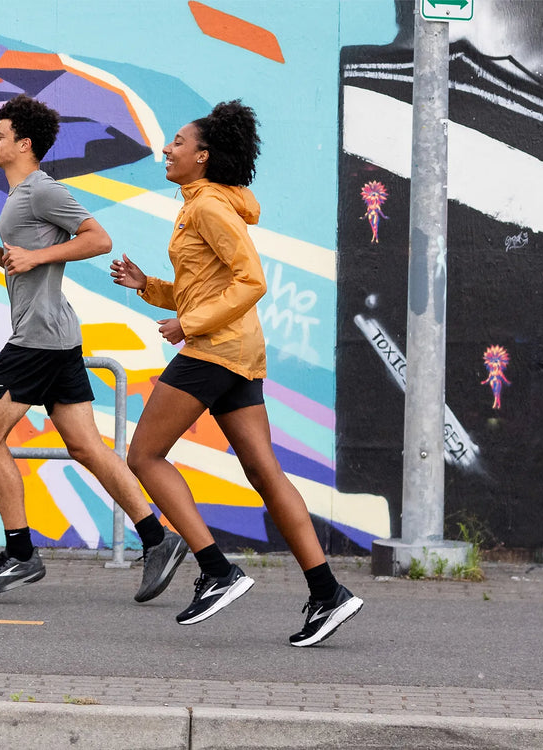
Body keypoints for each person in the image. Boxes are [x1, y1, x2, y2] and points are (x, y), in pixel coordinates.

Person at [109, 101, 364, 646]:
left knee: (143, 455)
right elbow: (207, 285)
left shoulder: (208, 209)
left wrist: (188, 324)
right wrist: (148, 286)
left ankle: (216, 571)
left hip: (214, 349)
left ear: (202, 156)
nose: (167, 148)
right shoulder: (208, 203)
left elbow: (251, 282)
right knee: (265, 472)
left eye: (178, 141)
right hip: (237, 352)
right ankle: (327, 594)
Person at [0, 94, 188, 602]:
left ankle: (20, 553)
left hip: (37, 340)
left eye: (0, 135)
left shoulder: (42, 191)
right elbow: (30, 265)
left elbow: (98, 238)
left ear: (24, 144)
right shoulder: (20, 196)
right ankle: (158, 539)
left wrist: (33, 253)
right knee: (85, 446)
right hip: (57, 337)